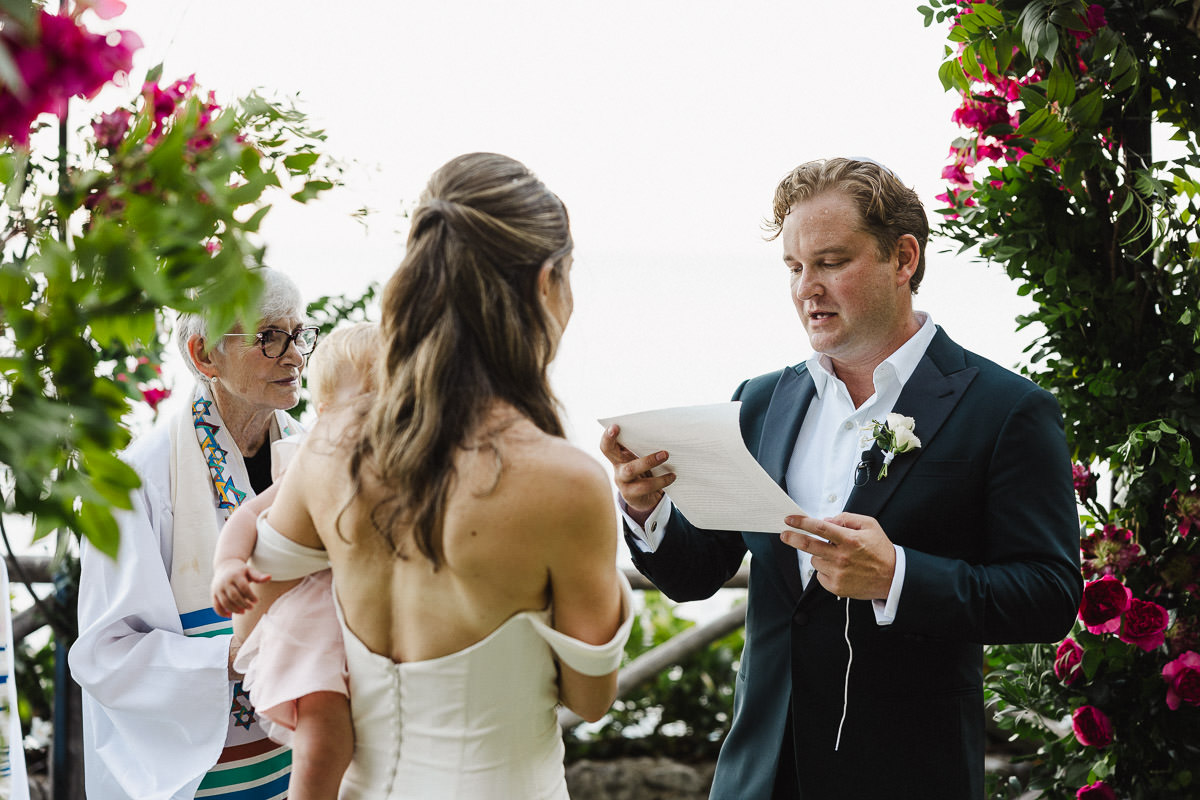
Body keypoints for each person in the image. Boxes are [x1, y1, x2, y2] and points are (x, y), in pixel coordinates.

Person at [600, 157, 1083, 799]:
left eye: (830, 262)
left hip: (907, 775)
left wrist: (897, 576)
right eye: (795, 268)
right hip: (760, 774)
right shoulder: (762, 401)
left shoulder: (1006, 410)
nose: (808, 289)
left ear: (903, 258)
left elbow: (1048, 595)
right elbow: (696, 574)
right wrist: (646, 512)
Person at [246, 152, 633, 799]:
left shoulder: (332, 445)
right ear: (545, 283)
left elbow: (250, 610)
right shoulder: (566, 483)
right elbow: (591, 698)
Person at [69, 267, 315, 800]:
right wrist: (235, 656)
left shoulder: (312, 451)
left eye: (298, 334)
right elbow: (104, 656)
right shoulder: (134, 481)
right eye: (269, 337)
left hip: (300, 762)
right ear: (205, 356)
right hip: (198, 775)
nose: (295, 355)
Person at [210, 321, 380, 800]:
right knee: (324, 735)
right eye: (365, 401)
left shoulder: (401, 466)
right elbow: (247, 515)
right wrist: (227, 567)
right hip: (313, 625)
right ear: (324, 413)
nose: (382, 415)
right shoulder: (317, 458)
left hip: (364, 620)